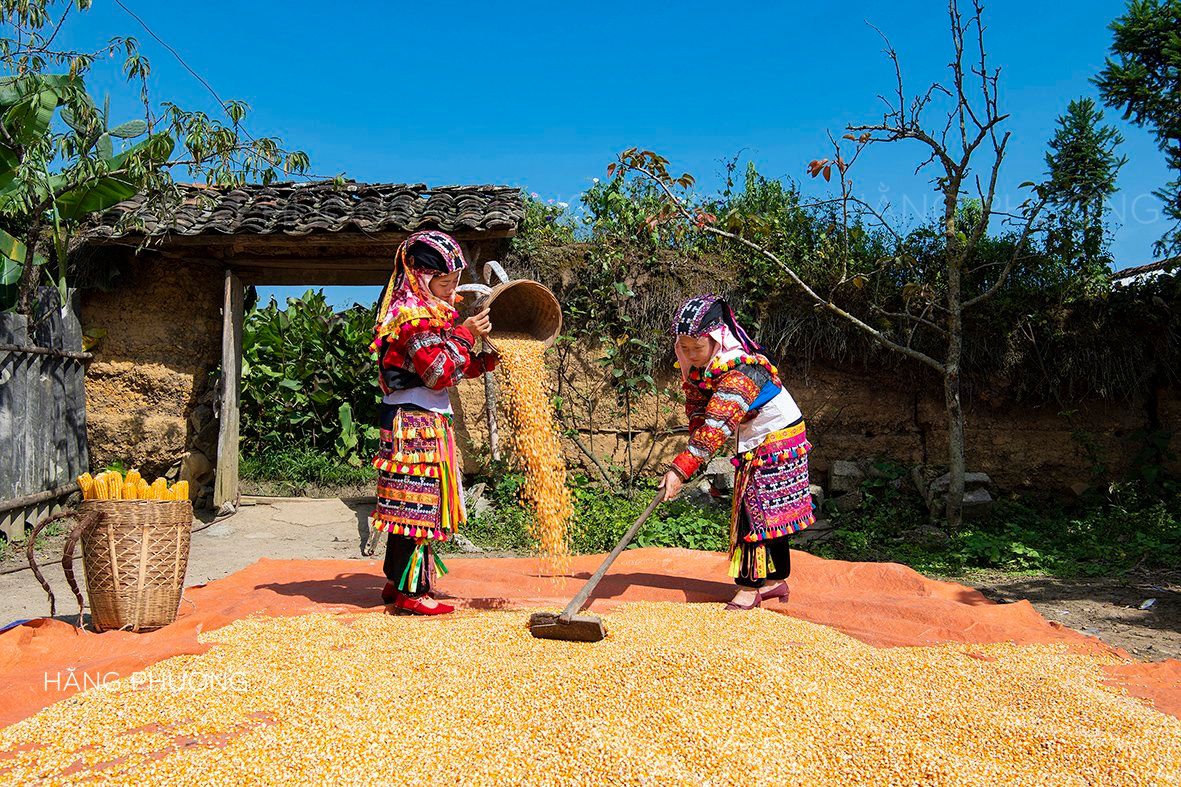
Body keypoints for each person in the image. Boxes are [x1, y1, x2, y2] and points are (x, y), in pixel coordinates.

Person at [369, 230, 497, 615]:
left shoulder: (430, 314)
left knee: (405, 504)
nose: (451, 289)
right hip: (414, 421)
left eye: (455, 281)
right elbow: (438, 372)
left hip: (419, 417)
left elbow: (453, 365)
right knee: (418, 506)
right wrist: (465, 334)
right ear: (420, 277)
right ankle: (413, 591)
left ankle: (396, 579)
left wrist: (485, 359)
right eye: (444, 282)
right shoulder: (413, 320)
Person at [658, 295, 813, 610]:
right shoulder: (702, 367)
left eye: (697, 348)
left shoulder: (740, 369)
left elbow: (715, 426)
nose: (690, 355)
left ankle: (749, 587)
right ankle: (774, 581)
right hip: (755, 434)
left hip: (777, 435)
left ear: (716, 339)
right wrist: (693, 454)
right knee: (765, 509)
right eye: (683, 348)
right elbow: (700, 412)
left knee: (754, 509)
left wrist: (680, 469)